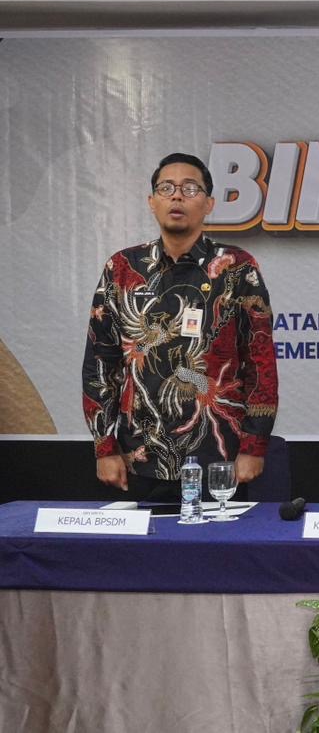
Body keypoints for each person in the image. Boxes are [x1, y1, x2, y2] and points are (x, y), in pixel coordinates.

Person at [83, 152, 278, 499]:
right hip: (139, 458)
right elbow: (101, 362)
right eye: (166, 188)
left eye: (190, 188)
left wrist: (255, 445)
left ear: (209, 204)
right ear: (152, 202)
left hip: (221, 460)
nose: (177, 196)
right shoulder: (123, 268)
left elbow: (260, 362)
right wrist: (104, 446)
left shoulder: (236, 268)